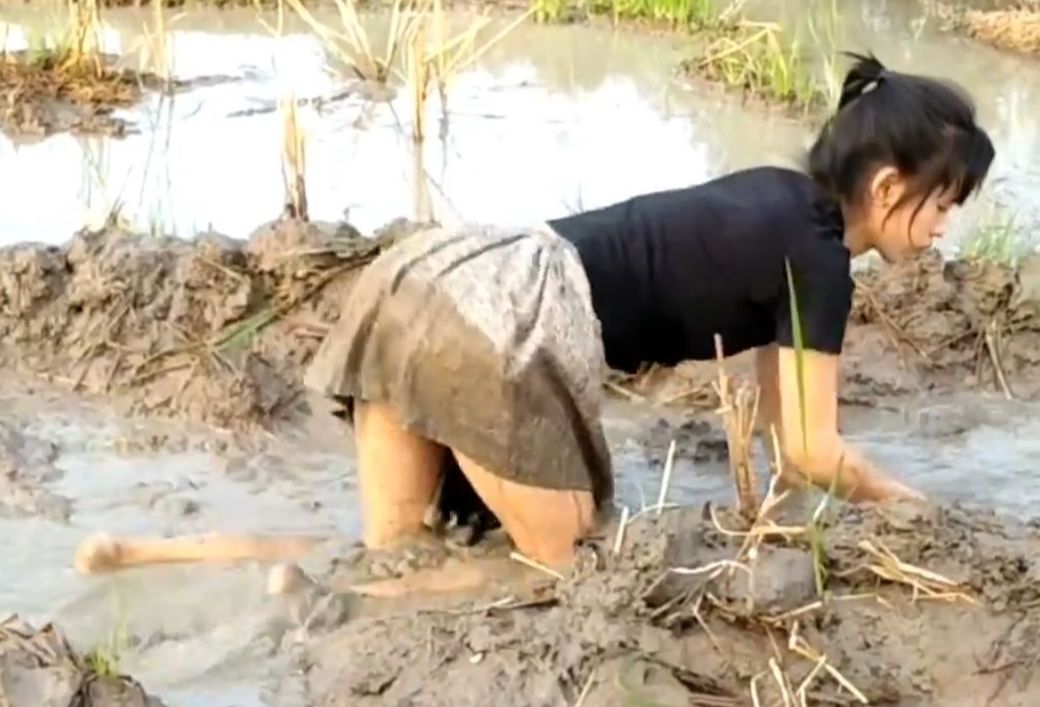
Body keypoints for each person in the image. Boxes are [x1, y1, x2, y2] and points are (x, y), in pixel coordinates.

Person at [299, 52, 996, 577]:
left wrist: (783, 508)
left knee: (392, 556)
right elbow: (815, 451)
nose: (942, 228)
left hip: (434, 268)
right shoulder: (819, 266)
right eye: (941, 205)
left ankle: (294, 592)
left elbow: (790, 447)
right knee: (563, 568)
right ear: (885, 187)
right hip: (508, 311)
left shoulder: (777, 198)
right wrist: (916, 509)